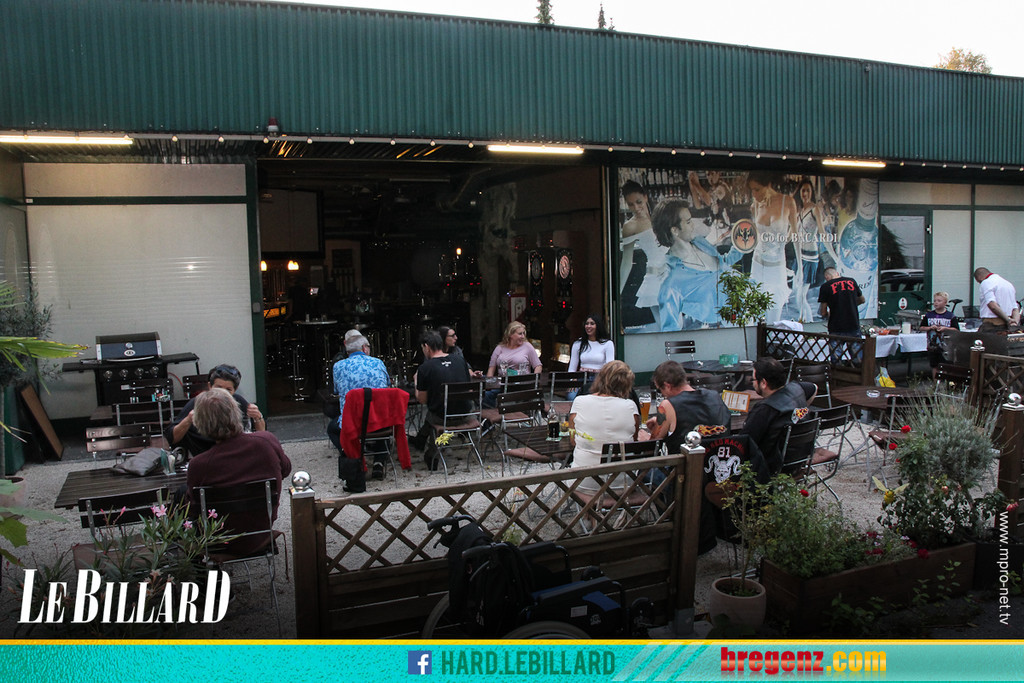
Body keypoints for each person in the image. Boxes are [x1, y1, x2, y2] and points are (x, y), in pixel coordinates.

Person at [186, 387, 291, 556]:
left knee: (181, 496)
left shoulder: (199, 465)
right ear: (236, 413)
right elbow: (286, 469)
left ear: (199, 422)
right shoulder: (266, 441)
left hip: (218, 539)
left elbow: (193, 509)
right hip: (260, 533)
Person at [651, 198, 741, 331]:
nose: (693, 225)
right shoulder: (671, 283)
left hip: (743, 309)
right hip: (721, 330)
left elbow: (723, 263)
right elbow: (670, 332)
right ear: (675, 230)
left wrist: (741, 246)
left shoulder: (699, 242)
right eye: (688, 222)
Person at [328, 333, 391, 485]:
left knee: (332, 428)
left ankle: (355, 458)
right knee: (378, 416)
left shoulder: (338, 366)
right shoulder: (378, 363)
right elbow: (388, 386)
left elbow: (336, 391)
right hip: (379, 421)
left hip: (352, 423)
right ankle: (379, 461)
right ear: (364, 348)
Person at [567, 361, 639, 493]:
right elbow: (633, 441)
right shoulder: (631, 406)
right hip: (623, 483)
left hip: (584, 482)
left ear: (600, 378)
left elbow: (573, 440)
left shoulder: (579, 402)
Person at [166, 364, 265, 458]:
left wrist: (258, 417)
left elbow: (262, 435)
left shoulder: (238, 402)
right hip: (205, 457)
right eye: (218, 388)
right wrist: (188, 420)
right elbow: (172, 438)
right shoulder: (197, 403)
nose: (222, 393)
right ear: (210, 386)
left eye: (228, 390)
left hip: (234, 455)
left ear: (235, 390)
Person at [740, 358, 816, 474]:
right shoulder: (796, 389)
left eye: (753, 380)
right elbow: (814, 387)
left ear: (763, 383)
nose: (753, 383)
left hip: (771, 468)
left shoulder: (764, 409)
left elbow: (743, 443)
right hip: (798, 460)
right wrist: (801, 407)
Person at [411, 330, 472, 467]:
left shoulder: (425, 368)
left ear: (426, 347)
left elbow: (422, 400)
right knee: (437, 412)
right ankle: (423, 443)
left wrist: (416, 382)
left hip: (442, 417)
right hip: (465, 414)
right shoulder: (460, 360)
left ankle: (431, 451)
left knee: (433, 415)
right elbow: (468, 388)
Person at [747, 172, 801, 324]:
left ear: (768, 185)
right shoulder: (756, 204)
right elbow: (757, 235)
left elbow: (795, 235)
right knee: (755, 316)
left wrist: (800, 267)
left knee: (774, 316)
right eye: (752, 190)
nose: (754, 194)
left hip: (777, 266)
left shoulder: (787, 202)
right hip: (758, 263)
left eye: (757, 189)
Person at [645, 361, 731, 453]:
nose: (662, 394)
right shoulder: (714, 396)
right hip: (719, 457)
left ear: (667, 386)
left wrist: (646, 437)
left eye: (659, 390)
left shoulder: (668, 405)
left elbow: (653, 445)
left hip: (687, 461)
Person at [793, 179, 839, 322]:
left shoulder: (815, 209)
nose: (805, 193)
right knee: (797, 294)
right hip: (800, 255)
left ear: (811, 192)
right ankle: (805, 321)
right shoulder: (800, 210)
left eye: (808, 190)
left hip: (810, 256)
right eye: (803, 190)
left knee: (801, 295)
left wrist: (834, 257)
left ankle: (806, 322)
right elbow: (792, 234)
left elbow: (822, 234)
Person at [619, 180, 662, 329]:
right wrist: (617, 293)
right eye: (631, 204)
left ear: (645, 197)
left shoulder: (661, 214)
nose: (636, 208)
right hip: (654, 278)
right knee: (664, 326)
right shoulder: (630, 226)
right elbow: (626, 261)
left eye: (638, 202)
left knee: (679, 324)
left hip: (674, 272)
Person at [818, 267, 865, 363]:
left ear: (827, 277)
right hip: (853, 324)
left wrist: (828, 314)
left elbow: (823, 312)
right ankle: (858, 372)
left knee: (836, 359)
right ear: (837, 273)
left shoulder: (825, 286)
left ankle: (838, 372)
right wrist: (851, 305)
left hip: (836, 327)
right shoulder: (851, 281)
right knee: (858, 359)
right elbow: (862, 300)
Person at [921, 291, 960, 377]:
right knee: (934, 365)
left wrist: (945, 329)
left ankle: (945, 381)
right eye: (935, 301)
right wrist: (930, 328)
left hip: (946, 346)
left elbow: (956, 329)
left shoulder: (950, 316)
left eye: (939, 301)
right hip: (933, 346)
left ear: (945, 303)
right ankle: (935, 383)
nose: (936, 303)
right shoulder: (929, 315)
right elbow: (921, 327)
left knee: (946, 365)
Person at [567, 314, 615, 381]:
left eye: (592, 324)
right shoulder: (578, 344)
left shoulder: (608, 344)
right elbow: (572, 368)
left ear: (598, 326)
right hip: (582, 378)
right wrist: (572, 380)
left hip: (599, 379)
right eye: (587, 324)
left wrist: (605, 381)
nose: (588, 326)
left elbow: (610, 366)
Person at [973, 267, 1020, 334]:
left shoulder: (986, 282)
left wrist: (1008, 320)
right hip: (1007, 327)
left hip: (991, 325)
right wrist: (1014, 322)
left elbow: (992, 305)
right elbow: (1015, 308)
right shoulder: (1008, 284)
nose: (980, 283)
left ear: (979, 277)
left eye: (979, 281)